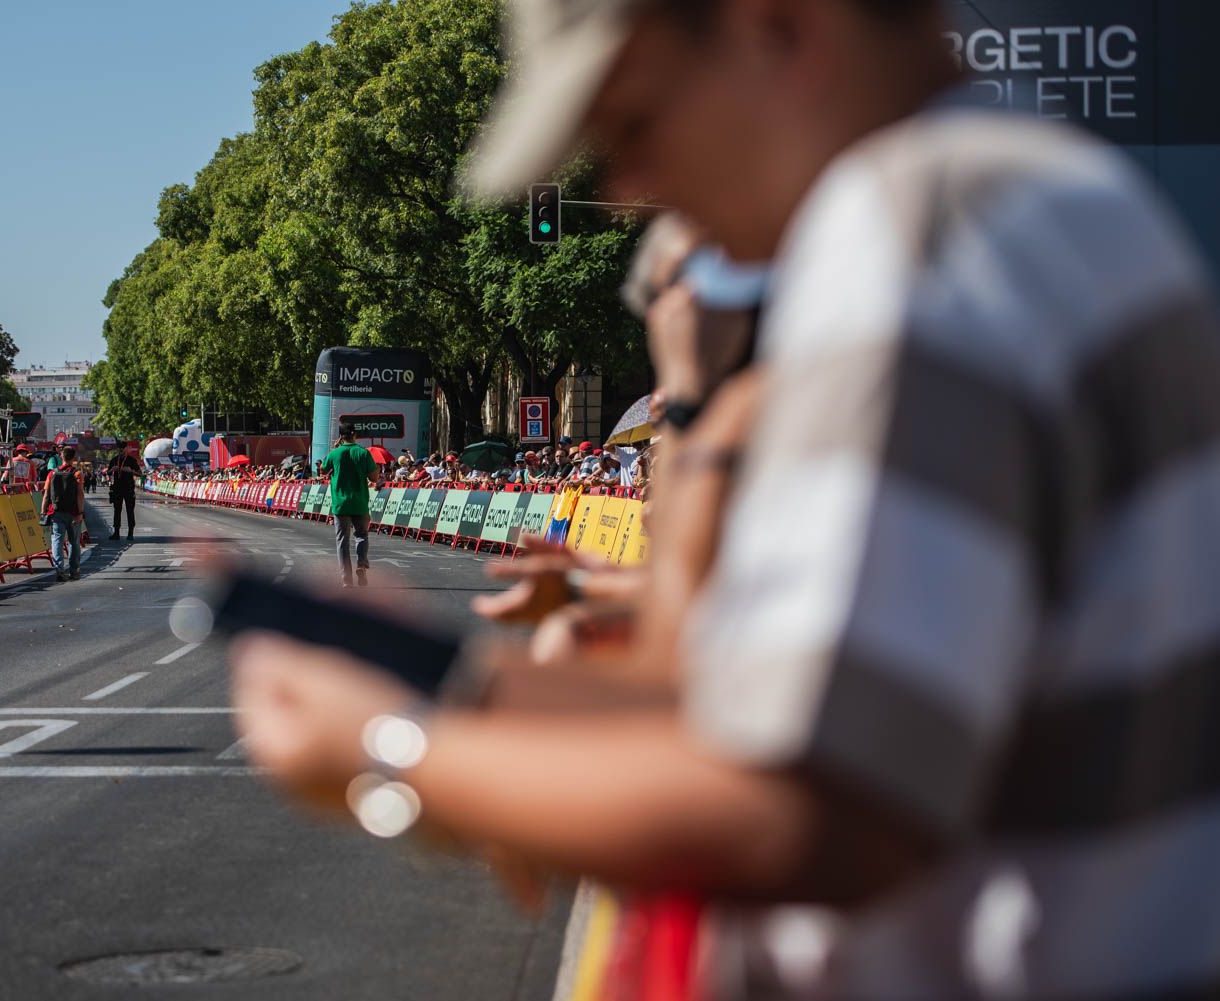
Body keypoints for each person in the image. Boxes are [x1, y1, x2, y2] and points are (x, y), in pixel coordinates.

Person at [235, 0, 1220, 998]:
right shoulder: (1031, 202)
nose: (630, 188)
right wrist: (457, 685)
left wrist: (390, 749)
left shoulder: (916, 229)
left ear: (773, 24)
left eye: (634, 122)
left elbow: (817, 803)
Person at [321, 420, 378, 587]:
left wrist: (334, 449)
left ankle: (346, 579)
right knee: (361, 535)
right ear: (354, 434)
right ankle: (361, 564)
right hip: (359, 503)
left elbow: (323, 470)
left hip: (340, 504)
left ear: (341, 436)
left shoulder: (335, 454)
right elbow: (373, 478)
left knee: (342, 541)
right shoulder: (363, 453)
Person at [43, 444, 84, 582]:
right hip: (73, 513)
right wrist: (80, 512)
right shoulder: (77, 473)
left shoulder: (52, 473)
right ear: (73, 458)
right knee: (74, 542)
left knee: (57, 541)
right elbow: (80, 495)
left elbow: (46, 494)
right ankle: (74, 571)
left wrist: (43, 511)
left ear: (62, 456)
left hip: (56, 512)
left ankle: (59, 569)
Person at [105, 443, 141, 540]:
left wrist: (131, 471)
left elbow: (140, 474)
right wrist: (112, 469)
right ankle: (116, 533)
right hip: (117, 488)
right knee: (117, 510)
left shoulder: (131, 460)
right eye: (119, 449)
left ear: (126, 449)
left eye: (123, 449)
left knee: (130, 510)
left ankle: (130, 533)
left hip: (128, 488)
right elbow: (107, 473)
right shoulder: (114, 460)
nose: (121, 451)